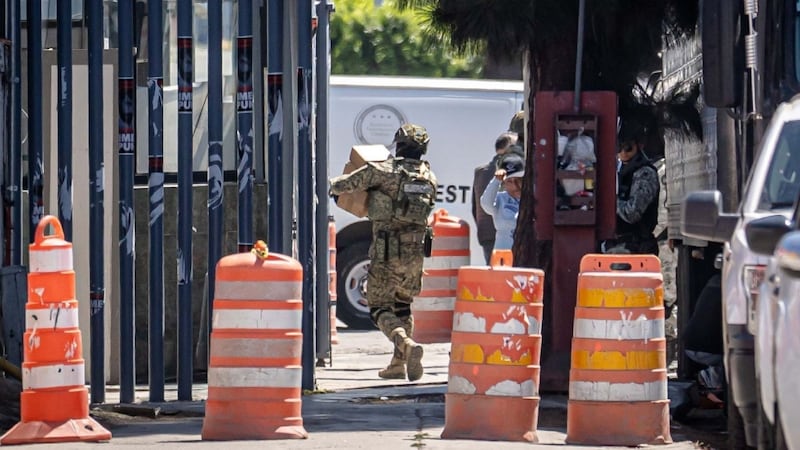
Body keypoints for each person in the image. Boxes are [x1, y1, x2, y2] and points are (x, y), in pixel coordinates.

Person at [329, 124, 438, 381]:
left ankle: (405, 343)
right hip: (416, 253)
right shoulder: (429, 177)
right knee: (403, 305)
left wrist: (331, 185)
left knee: (379, 308)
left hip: (387, 250)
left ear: (398, 144)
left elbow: (343, 185)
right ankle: (398, 365)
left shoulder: (383, 171)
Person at [603, 128, 660, 255]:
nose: (623, 152)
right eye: (619, 147)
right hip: (620, 245)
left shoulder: (645, 173)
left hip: (637, 247)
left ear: (639, 145)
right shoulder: (621, 170)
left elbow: (632, 212)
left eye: (628, 147)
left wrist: (609, 201)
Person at [472, 132, 518, 263]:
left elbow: (475, 206)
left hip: (486, 233)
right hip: (504, 233)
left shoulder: (480, 171)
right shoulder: (510, 170)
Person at [480, 152, 524, 252]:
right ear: (504, 183)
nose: (515, 186)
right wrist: (496, 181)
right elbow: (486, 204)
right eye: (509, 181)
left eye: (519, 180)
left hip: (526, 255)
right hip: (503, 255)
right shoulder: (500, 199)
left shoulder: (533, 200)